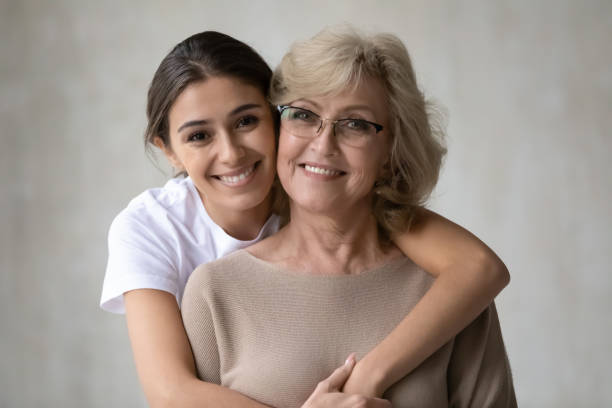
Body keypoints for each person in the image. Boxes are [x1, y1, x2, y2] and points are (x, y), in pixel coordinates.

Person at [101, 31, 510, 407]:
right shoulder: (206, 285)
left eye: (355, 124)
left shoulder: (449, 294)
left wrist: (368, 379)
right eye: (304, 115)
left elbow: (477, 267)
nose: (323, 144)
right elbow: (170, 392)